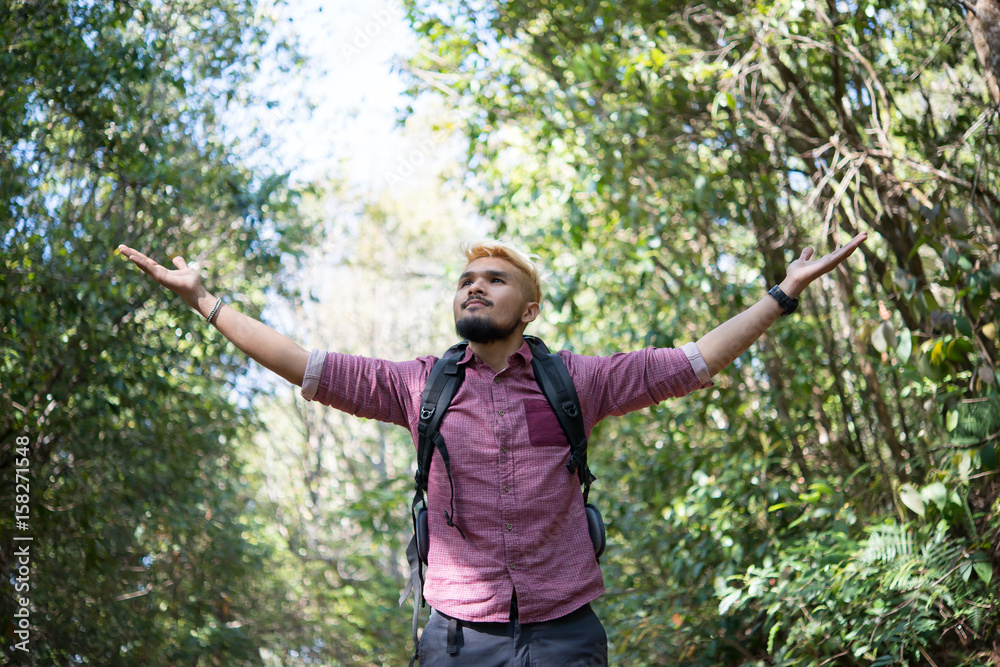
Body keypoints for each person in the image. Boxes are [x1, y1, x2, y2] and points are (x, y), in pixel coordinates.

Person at [117, 232, 866, 665]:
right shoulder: (419, 386)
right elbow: (305, 365)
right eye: (466, 280)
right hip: (456, 641)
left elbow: (695, 362)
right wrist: (203, 300)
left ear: (528, 308)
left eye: (495, 280)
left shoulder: (579, 381)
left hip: (567, 632)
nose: (474, 288)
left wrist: (784, 293)